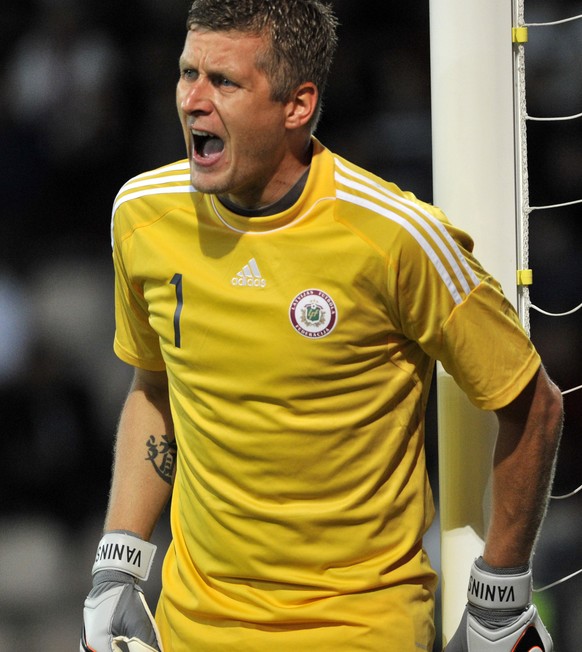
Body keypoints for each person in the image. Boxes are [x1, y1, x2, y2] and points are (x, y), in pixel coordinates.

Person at [80, 1, 564, 650]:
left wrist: (500, 598)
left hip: (358, 629)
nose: (192, 100)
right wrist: (117, 567)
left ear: (297, 105)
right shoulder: (141, 215)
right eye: (186, 72)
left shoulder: (397, 238)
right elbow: (155, 387)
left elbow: (533, 407)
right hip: (192, 628)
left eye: (223, 81)